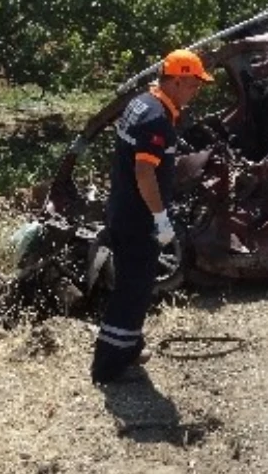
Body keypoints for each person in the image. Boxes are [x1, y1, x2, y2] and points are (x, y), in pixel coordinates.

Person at [90, 48, 213, 384]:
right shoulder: (156, 120)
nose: (196, 91)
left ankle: (130, 347)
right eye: (193, 84)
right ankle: (108, 366)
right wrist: (160, 219)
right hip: (137, 217)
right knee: (132, 289)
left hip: (123, 209)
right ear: (176, 80)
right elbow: (145, 173)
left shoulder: (141, 103)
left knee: (138, 286)